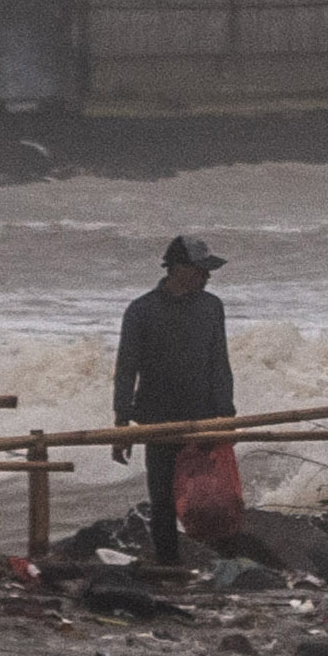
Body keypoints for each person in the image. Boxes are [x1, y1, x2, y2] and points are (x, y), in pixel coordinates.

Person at [114, 233, 235, 560]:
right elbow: (126, 369)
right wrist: (121, 422)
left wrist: (227, 415)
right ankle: (169, 567)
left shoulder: (211, 307)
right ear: (178, 268)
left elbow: (219, 363)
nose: (207, 276)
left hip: (204, 416)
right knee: (163, 499)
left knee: (211, 498)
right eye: (200, 270)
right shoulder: (142, 311)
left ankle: (221, 564)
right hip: (158, 419)